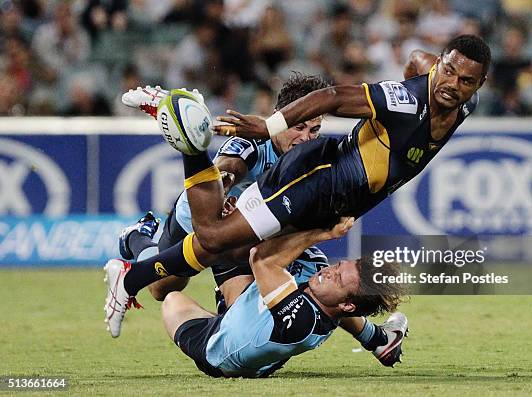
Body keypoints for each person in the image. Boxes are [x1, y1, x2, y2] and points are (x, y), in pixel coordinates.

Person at [109, 34, 489, 337]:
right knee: (212, 238)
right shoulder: (405, 102)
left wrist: (421, 76)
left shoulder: (454, 100)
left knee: (226, 254)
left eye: (466, 81)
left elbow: (418, 59)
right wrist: (268, 125)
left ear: (479, 85)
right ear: (442, 63)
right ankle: (181, 119)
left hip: (330, 201)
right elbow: (334, 96)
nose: (452, 85)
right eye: (448, 71)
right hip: (317, 183)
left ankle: (133, 274)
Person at [116, 74, 408, 366]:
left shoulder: (313, 158)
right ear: (280, 117)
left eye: (315, 129)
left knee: (322, 282)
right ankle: (138, 237)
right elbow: (227, 168)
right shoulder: (252, 144)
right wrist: (224, 191)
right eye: (299, 126)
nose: (306, 137)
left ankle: (379, 340)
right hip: (207, 221)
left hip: (249, 238)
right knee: (162, 288)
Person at [156, 217, 405, 378]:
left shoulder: (303, 323)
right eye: (338, 266)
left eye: (337, 278)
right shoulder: (330, 295)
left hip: (216, 351)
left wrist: (324, 233)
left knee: (169, 295)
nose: (328, 272)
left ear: (348, 305)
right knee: (308, 269)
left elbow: (259, 258)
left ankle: (139, 241)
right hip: (259, 336)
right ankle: (378, 339)